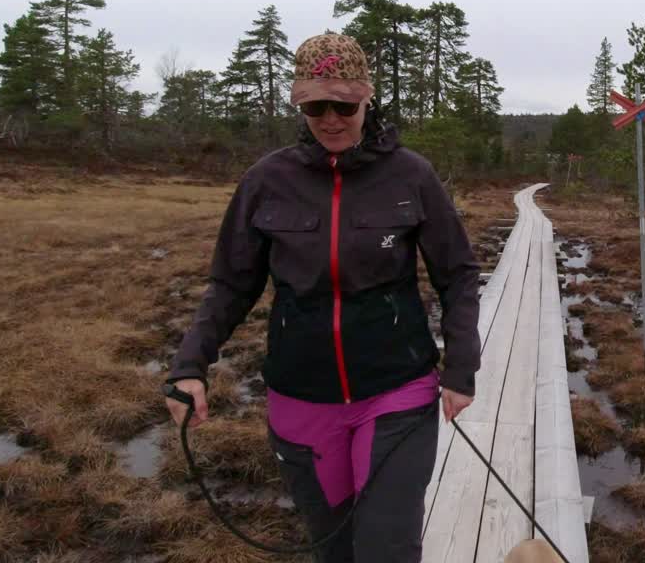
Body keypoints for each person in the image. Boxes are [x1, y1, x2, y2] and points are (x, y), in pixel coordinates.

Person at [164, 33, 481, 563]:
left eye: (344, 104)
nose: (331, 118)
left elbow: (459, 274)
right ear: (299, 104)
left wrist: (461, 366)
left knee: (387, 547)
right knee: (331, 547)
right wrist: (189, 365)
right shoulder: (266, 180)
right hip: (300, 399)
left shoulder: (412, 175)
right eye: (315, 106)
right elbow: (231, 284)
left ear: (367, 99)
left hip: (395, 393)